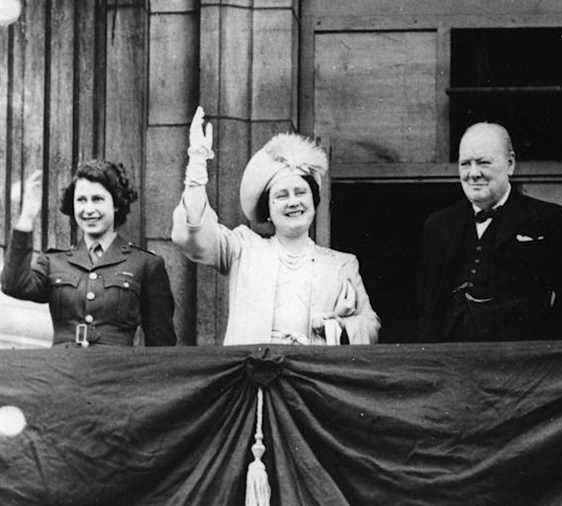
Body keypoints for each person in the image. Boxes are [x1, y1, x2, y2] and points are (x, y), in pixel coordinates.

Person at [171, 107, 380, 345]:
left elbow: (370, 327)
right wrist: (197, 167)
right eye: (281, 196)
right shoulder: (243, 249)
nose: (293, 202)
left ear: (314, 201)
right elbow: (194, 235)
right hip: (254, 376)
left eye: (300, 192)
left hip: (313, 377)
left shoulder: (342, 264)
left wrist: (336, 326)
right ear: (267, 210)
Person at [417, 122, 562, 342]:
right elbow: (427, 308)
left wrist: (542, 358)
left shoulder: (549, 219)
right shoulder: (438, 226)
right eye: (465, 164)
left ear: (510, 164)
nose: (473, 173)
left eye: (483, 163)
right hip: (454, 366)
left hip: (522, 367)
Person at [2, 161, 176, 347]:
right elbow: (13, 285)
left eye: (98, 199)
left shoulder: (145, 263)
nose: (88, 209)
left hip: (115, 373)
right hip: (63, 371)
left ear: (116, 204)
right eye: (81, 200)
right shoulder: (54, 261)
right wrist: (27, 216)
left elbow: (161, 343)